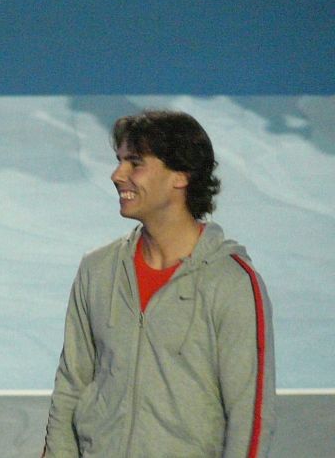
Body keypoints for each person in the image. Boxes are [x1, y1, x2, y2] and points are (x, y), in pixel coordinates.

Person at [43, 109, 276, 457]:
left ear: (180, 175)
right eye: (119, 160)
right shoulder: (97, 270)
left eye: (134, 163)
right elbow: (70, 388)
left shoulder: (232, 283)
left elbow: (250, 418)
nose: (117, 174)